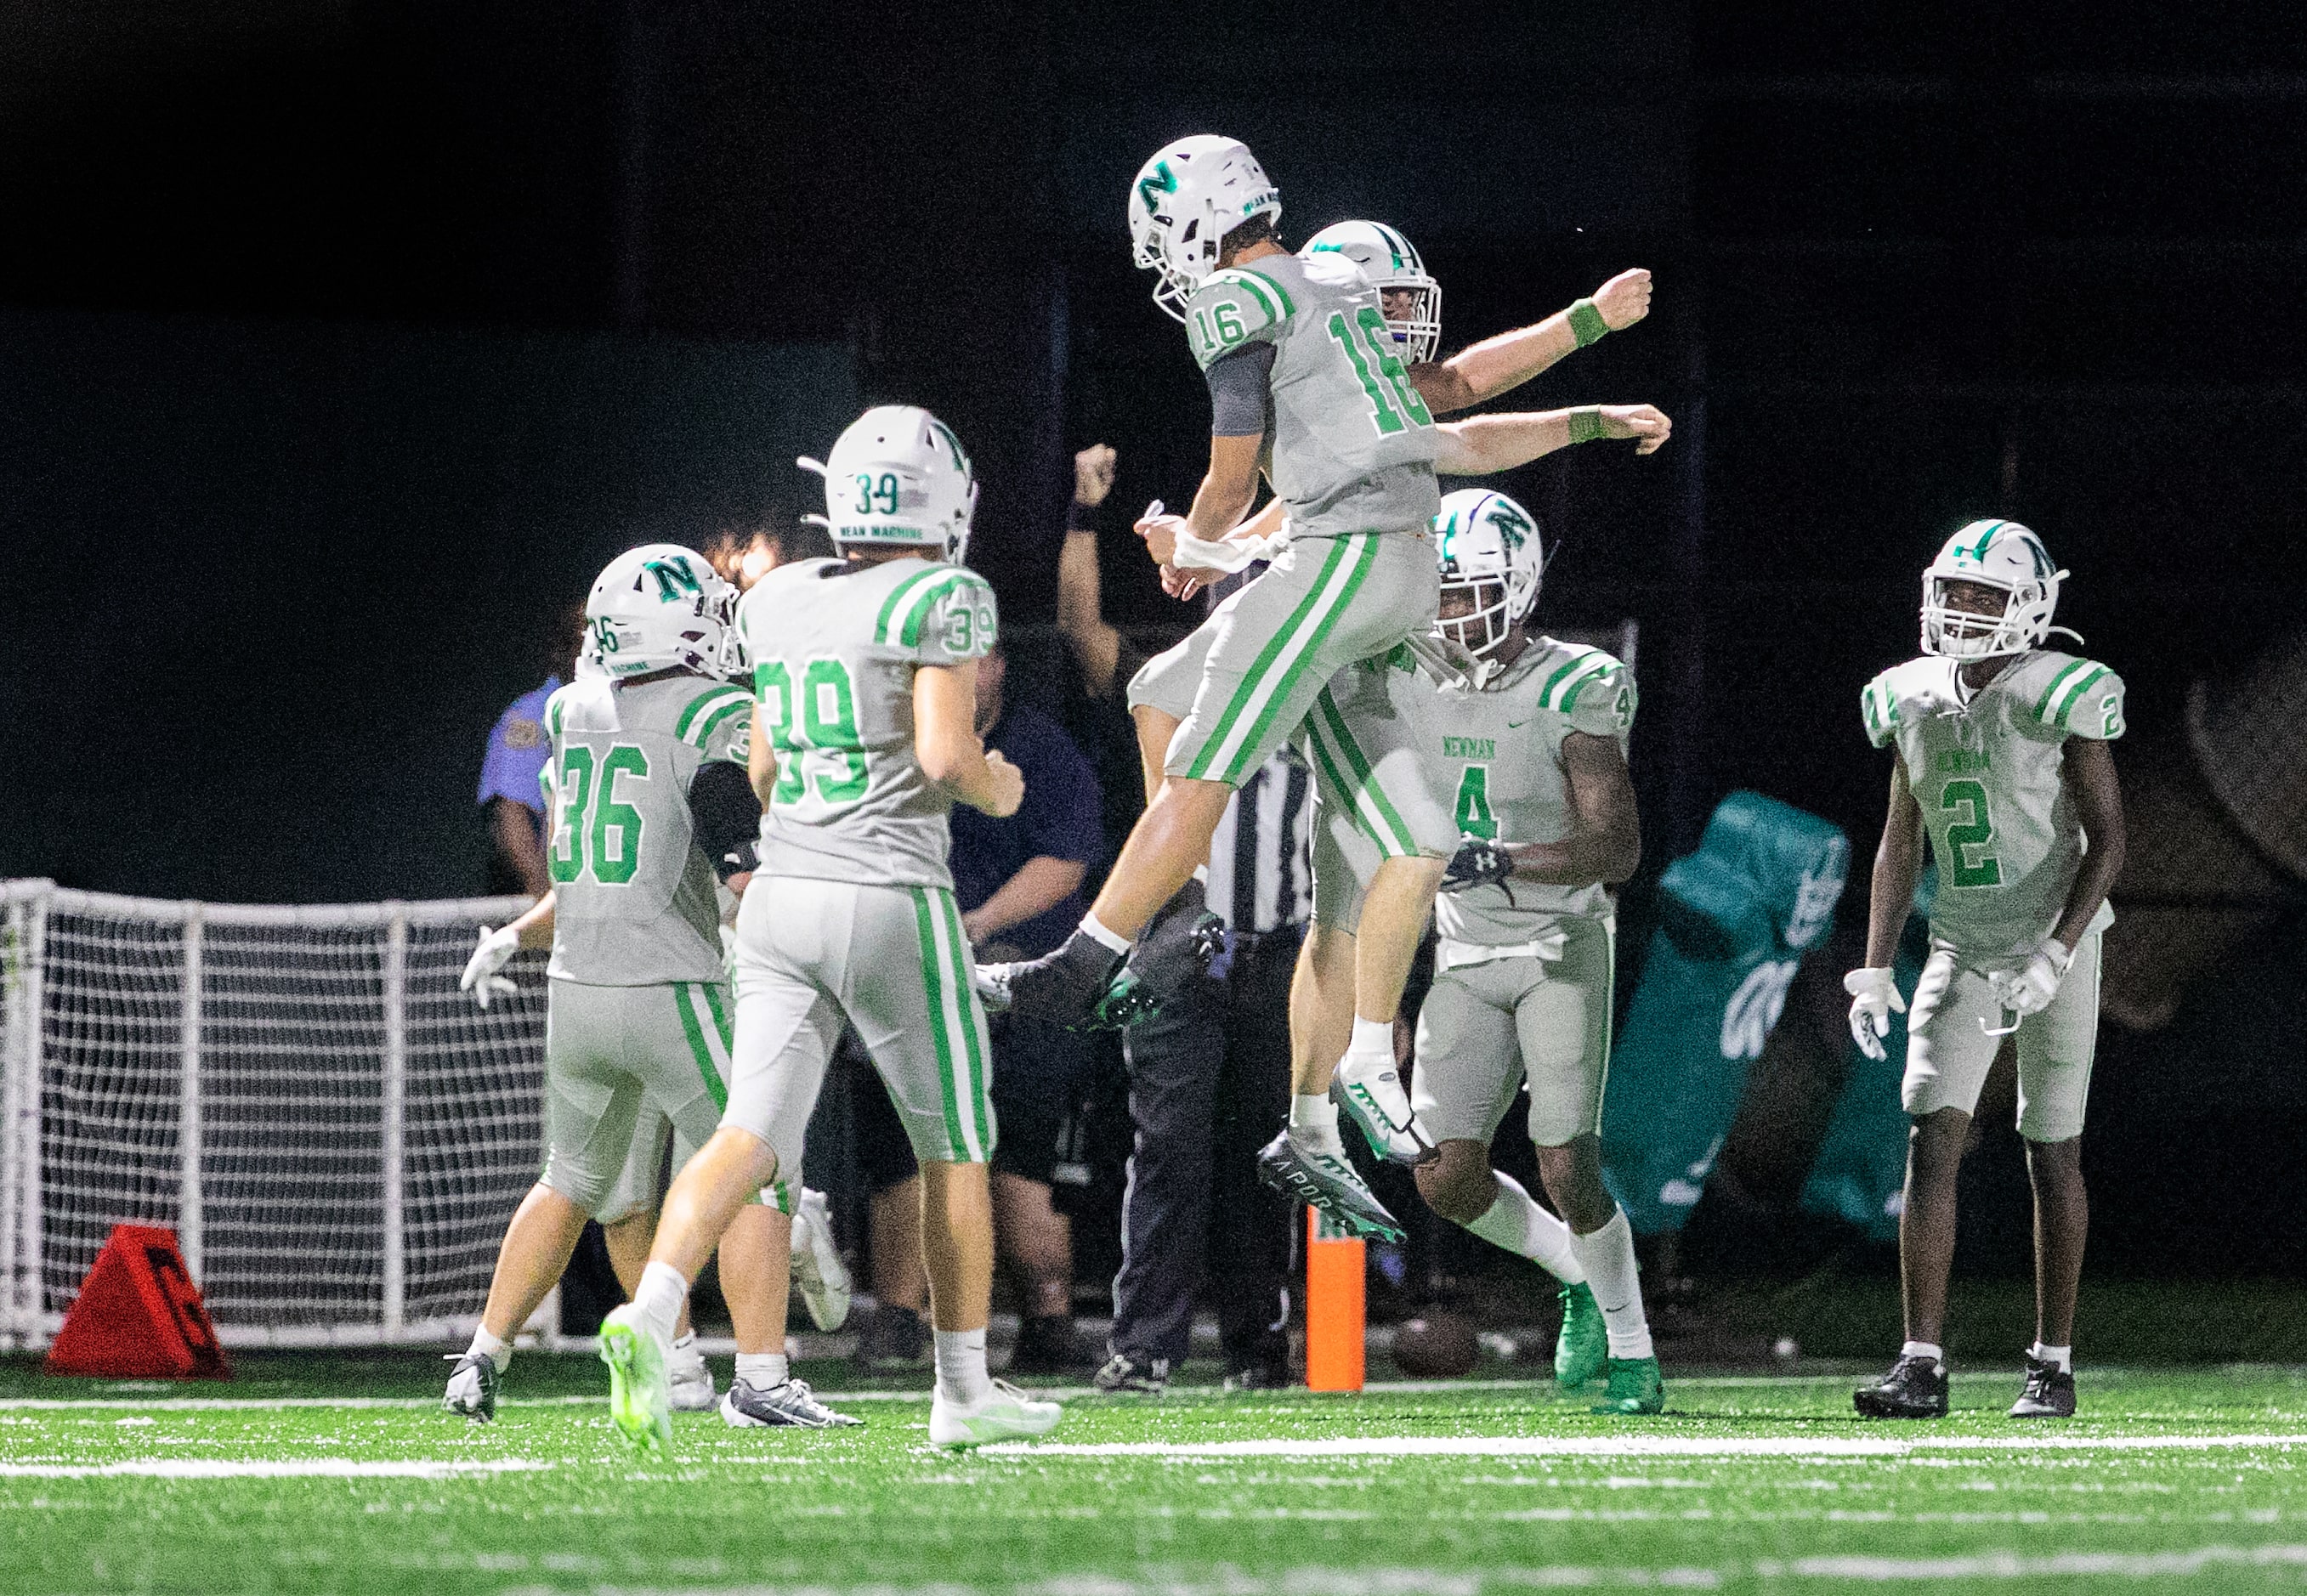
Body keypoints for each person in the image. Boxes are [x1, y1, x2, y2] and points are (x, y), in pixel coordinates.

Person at [983, 140, 1670, 1236]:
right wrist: (1587, 350)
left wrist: (1192, 547)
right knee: (1378, 823)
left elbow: (1237, 470)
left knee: (1194, 763)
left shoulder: (1241, 303)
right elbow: (1455, 414)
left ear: (1196, 228)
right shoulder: (1335, 301)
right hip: (1387, 567)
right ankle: (1321, 1093)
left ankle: (1093, 963)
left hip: (1341, 561)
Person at [596, 405, 1061, 1451]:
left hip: (779, 898)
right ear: (941, 502)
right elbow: (946, 756)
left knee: (745, 1132)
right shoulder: (945, 593)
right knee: (953, 1148)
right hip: (889, 896)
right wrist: (996, 788)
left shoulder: (780, 597)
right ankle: (963, 1391)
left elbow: (759, 769)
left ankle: (654, 1312)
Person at [446, 544, 852, 1431]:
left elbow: (589, 866)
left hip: (576, 992)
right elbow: (722, 818)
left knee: (574, 1185)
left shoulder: (570, 711)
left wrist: (515, 932)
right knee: (760, 1172)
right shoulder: (718, 710)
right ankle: (760, 1377)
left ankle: (482, 1358)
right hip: (672, 986)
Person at [1334, 488, 1661, 1416]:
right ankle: (1572, 1276)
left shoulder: (1574, 683)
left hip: (1559, 944)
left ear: (1516, 587)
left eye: (1464, 590)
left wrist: (1500, 857)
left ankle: (1633, 1349)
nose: (1447, 610)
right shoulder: (1403, 671)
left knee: (1566, 1163)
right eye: (1436, 592)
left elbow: (1617, 849)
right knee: (1440, 1174)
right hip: (1465, 952)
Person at [1845, 519, 2126, 1422]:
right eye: (1952, 592)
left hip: (2055, 939)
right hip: (1960, 942)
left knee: (2050, 1148)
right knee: (1931, 1137)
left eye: (1982, 596)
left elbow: (2110, 840)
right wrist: (1873, 966)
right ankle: (1918, 1364)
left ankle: (2051, 1363)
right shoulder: (1908, 696)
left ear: (2029, 609)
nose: (1960, 609)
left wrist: (2057, 947)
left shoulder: (2058, 693)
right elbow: (1900, 839)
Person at [1056, 451, 1310, 1395]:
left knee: (1267, 1155)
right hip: (1176, 941)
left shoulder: (1314, 690)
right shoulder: (1174, 678)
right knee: (1166, 1147)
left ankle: (1257, 1343)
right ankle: (1144, 1344)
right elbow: (1082, 629)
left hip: (1280, 948)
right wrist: (1083, 515)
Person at [948, 637, 1108, 1373]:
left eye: (973, 656)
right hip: (931, 981)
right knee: (934, 1156)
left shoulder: (1040, 749)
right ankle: (925, 1323)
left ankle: (1049, 1320)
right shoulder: (915, 741)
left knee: (1024, 1162)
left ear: (1001, 664)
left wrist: (976, 926)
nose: (959, 674)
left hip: (1032, 985)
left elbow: (1070, 857)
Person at [478, 603, 589, 897]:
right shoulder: (533, 715)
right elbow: (511, 810)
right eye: (584, 643)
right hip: (542, 900)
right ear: (561, 652)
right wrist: (541, 892)